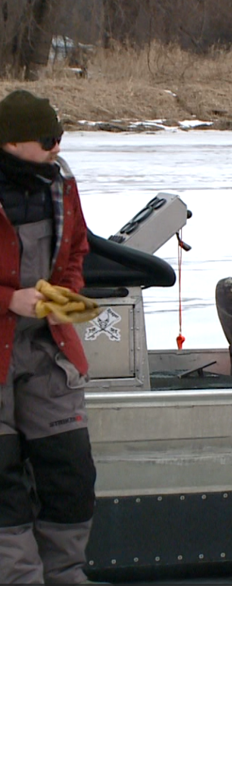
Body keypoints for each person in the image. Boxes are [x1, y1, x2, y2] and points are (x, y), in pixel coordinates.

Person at [0, 90, 97, 585]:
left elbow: (77, 247)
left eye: (60, 137)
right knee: (4, 483)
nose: (58, 147)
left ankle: (66, 576)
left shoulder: (62, 184)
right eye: (48, 139)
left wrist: (66, 292)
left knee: (70, 472)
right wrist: (7, 300)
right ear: (12, 143)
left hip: (46, 347)